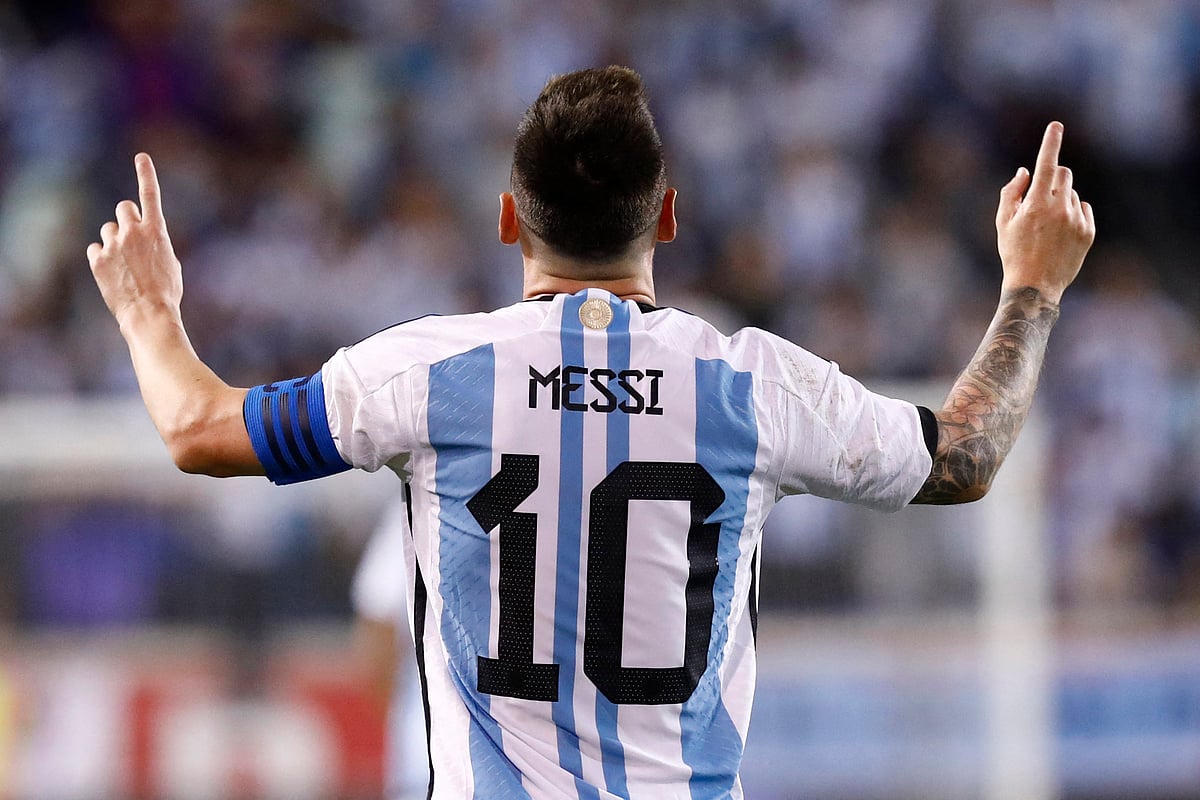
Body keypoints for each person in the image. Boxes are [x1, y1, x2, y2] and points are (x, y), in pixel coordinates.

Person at [87, 66, 1094, 799]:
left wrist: (149, 311)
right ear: (666, 216)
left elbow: (196, 426)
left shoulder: (429, 372)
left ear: (506, 220)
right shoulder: (753, 383)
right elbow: (965, 455)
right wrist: (1033, 285)